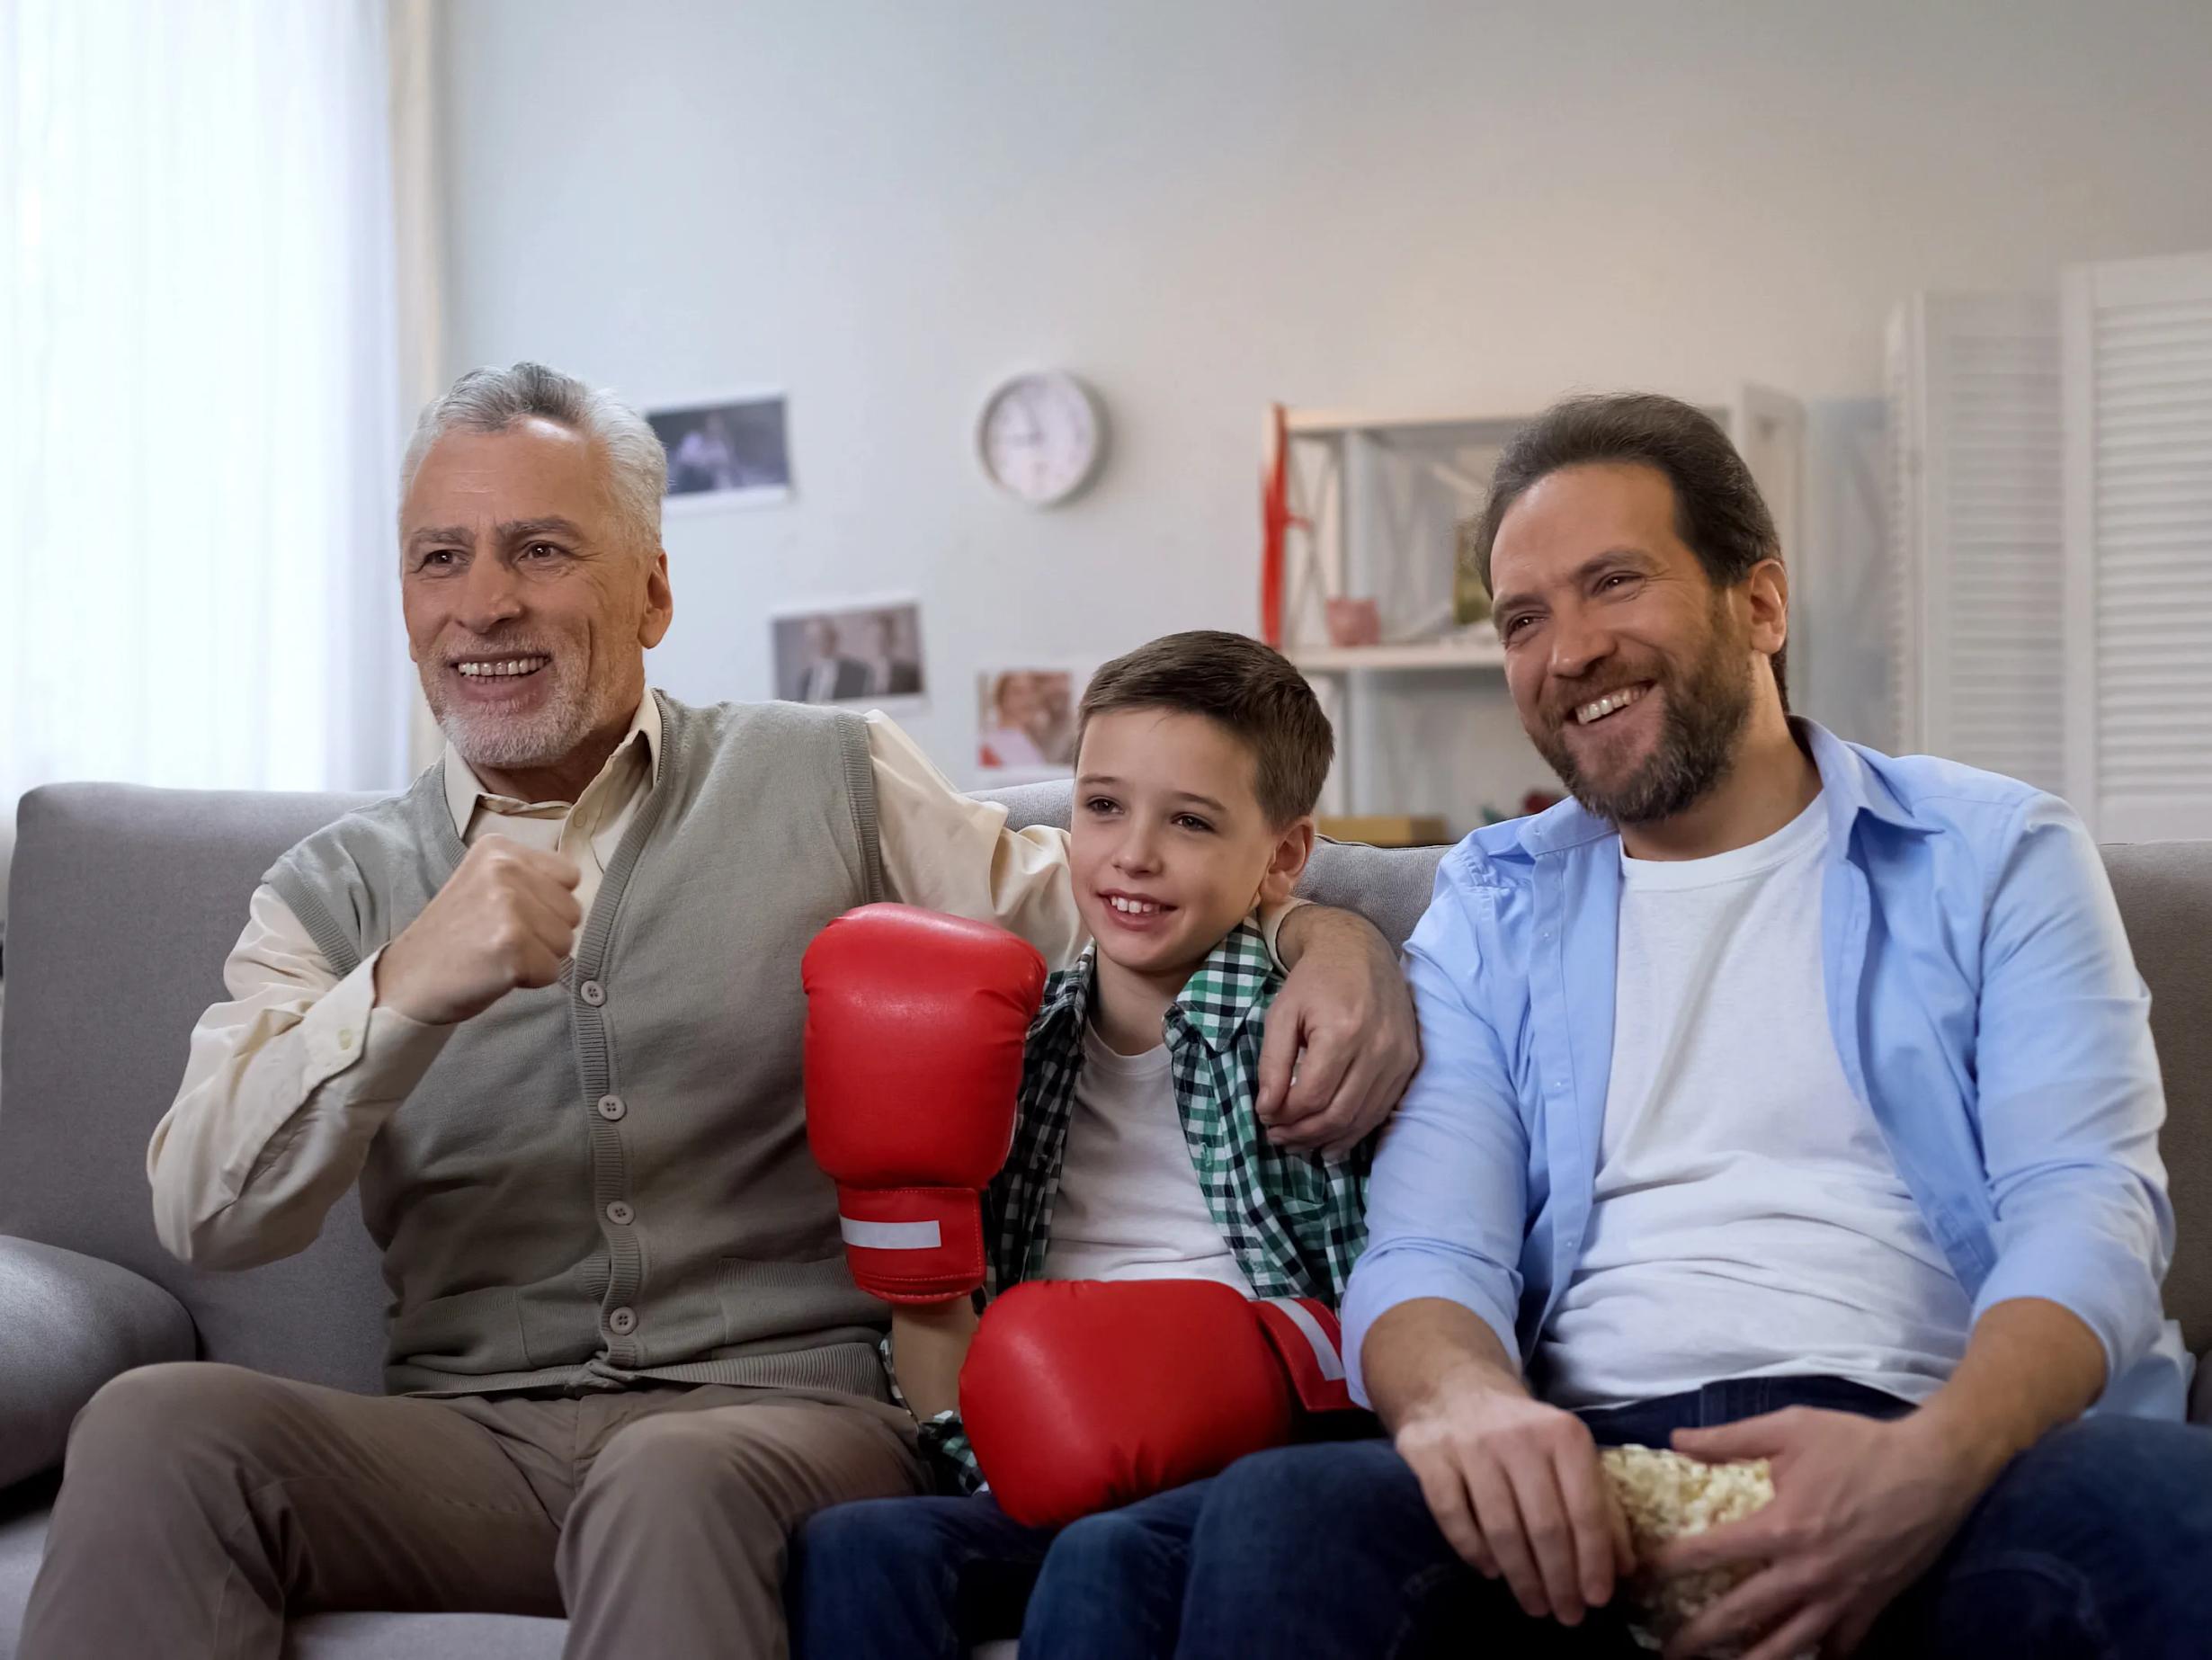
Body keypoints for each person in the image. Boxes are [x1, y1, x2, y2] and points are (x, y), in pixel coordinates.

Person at [17, 364, 1421, 1660]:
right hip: (465, 1442)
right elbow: (206, 1208)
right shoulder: (331, 890)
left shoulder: (833, 772)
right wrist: (398, 991)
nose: (482, 601)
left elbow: (1120, 899)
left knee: (666, 1470)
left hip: (787, 1420)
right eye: (439, 556)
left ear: (653, 595)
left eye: (541, 549)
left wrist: (1328, 925)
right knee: (156, 1426)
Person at [1174, 393, 2212, 1660]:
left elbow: (2089, 1209)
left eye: (1615, 581)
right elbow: (1431, 1250)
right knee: (1288, 1517)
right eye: (1521, 619)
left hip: (1940, 1445)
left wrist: (1934, 1461)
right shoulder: (1490, 912)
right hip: (1587, 1470)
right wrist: (1467, 1407)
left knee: (2163, 1503)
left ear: (1761, 604)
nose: (1569, 652)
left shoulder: (1991, 853)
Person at [789, 629, 1369, 1659]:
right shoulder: (1010, 1047)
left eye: (1190, 821)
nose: (1132, 854)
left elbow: (1393, 1300)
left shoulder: (1311, 1037)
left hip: (1255, 1469)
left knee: (1107, 1556)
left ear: (1282, 855)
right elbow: (950, 1374)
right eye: (1101, 806)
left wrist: (1260, 1374)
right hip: (1046, 1457)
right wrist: (918, 1269)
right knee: (856, 1546)